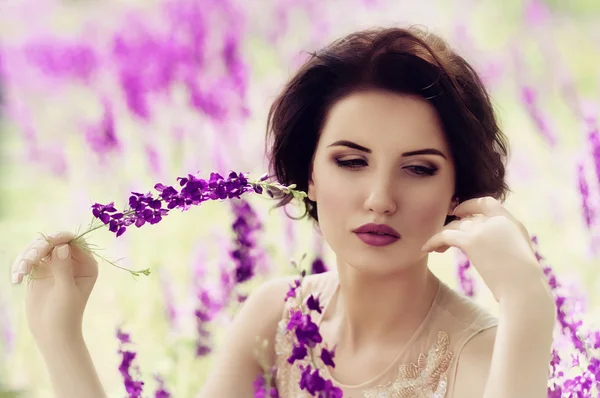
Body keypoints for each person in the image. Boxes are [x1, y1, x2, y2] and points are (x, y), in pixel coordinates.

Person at [10, 26, 556, 398]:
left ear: (458, 190)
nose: (380, 197)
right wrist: (59, 335)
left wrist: (530, 307)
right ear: (310, 174)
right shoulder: (279, 315)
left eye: (419, 168)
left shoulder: (481, 354)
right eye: (351, 161)